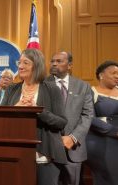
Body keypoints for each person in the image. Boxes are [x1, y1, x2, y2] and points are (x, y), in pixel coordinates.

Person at [0, 48, 67, 185]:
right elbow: (0, 120)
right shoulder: (12, 89)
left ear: (36, 66)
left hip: (45, 155)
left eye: (26, 63)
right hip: (16, 154)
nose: (20, 66)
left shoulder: (52, 89)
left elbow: (61, 122)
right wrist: (15, 109)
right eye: (19, 62)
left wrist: (38, 111)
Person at [46, 51, 94, 185]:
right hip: (47, 149)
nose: (54, 63)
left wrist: (73, 138)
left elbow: (88, 115)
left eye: (59, 61)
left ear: (70, 65)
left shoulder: (83, 86)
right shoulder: (42, 84)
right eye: (52, 61)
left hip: (73, 149)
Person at [86, 61, 118, 185]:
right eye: (113, 73)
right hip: (100, 139)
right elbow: (89, 117)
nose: (117, 76)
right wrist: (114, 131)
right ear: (101, 75)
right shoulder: (90, 91)